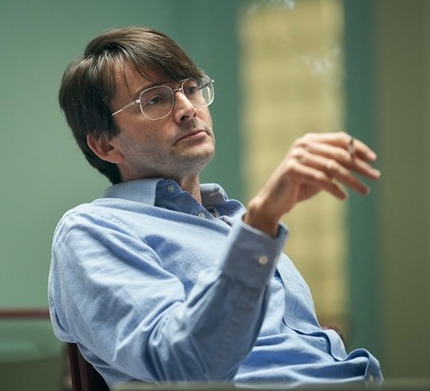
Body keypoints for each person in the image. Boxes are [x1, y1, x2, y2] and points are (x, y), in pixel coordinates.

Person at [48, 27, 383, 387]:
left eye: (191, 88)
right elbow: (185, 368)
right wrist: (260, 224)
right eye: (155, 100)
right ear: (105, 145)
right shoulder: (93, 229)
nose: (188, 109)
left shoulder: (233, 220)